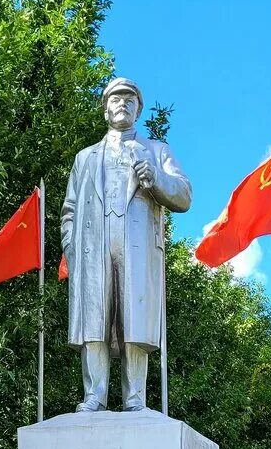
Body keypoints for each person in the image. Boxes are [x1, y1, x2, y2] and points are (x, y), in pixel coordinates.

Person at [61, 76, 192, 412]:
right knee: (95, 321)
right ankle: (95, 395)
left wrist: (157, 179)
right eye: (115, 99)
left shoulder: (156, 150)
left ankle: (135, 397)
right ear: (106, 109)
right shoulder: (85, 157)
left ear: (138, 110)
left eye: (129, 100)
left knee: (135, 320)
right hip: (94, 246)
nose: (122, 104)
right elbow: (70, 209)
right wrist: (72, 249)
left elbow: (184, 194)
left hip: (136, 245)